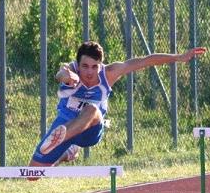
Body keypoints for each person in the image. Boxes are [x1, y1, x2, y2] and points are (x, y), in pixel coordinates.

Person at [29, 41, 207, 167]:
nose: (90, 72)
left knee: (92, 109)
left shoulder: (110, 73)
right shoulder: (71, 70)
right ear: (78, 64)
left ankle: (64, 139)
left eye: (94, 66)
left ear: (101, 65)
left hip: (91, 129)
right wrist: (68, 78)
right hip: (65, 121)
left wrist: (179, 57)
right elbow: (60, 74)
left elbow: (145, 61)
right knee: (32, 173)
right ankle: (66, 152)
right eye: (85, 66)